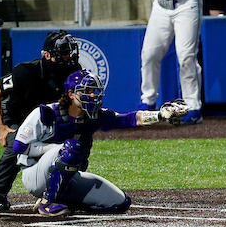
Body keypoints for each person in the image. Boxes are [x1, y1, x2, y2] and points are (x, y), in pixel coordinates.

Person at [13, 70, 189, 216]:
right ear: (71, 93)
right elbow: (19, 146)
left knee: (119, 203)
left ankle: (61, 198)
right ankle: (48, 202)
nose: (92, 95)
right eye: (86, 91)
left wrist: (160, 115)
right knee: (72, 148)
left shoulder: (94, 116)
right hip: (35, 174)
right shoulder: (47, 113)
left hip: (69, 174)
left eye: (94, 91)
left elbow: (129, 119)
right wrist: (57, 149)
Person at [0, 31, 80, 212]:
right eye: (64, 52)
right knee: (17, 146)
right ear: (48, 55)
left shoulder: (73, 71)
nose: (69, 56)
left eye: (70, 51)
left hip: (44, 120)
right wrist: (2, 127)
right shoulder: (27, 71)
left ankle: (59, 191)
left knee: (74, 146)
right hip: (16, 118)